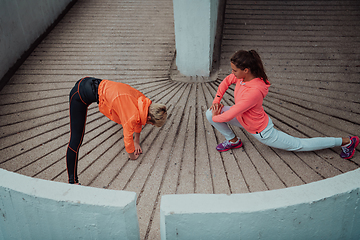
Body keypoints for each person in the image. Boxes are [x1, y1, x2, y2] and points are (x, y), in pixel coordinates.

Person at [206, 50, 358, 159]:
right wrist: (216, 102)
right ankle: (234, 141)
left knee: (299, 145)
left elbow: (227, 115)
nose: (232, 73)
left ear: (245, 70)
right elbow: (226, 81)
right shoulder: (241, 78)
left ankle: (347, 141)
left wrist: (216, 115)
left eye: (234, 70)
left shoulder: (254, 91)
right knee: (209, 113)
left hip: (261, 131)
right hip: (242, 118)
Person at [67, 77, 167, 184]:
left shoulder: (143, 101)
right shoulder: (132, 115)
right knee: (76, 140)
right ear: (150, 119)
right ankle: (73, 182)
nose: (150, 124)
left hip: (89, 81)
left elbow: (139, 120)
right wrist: (132, 155)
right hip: (79, 95)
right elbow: (128, 136)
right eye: (152, 123)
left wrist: (137, 142)